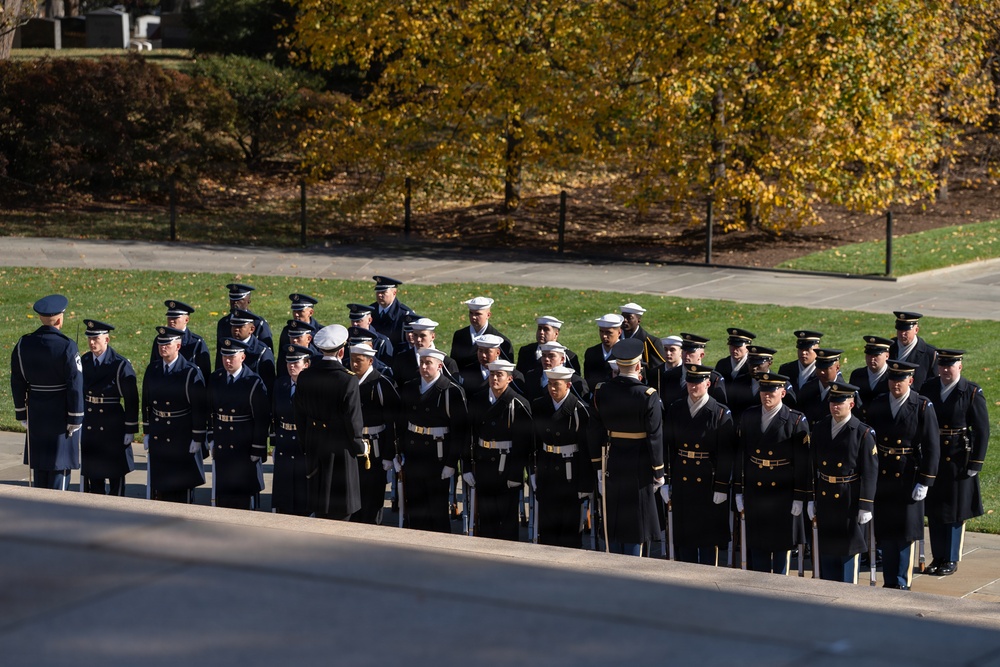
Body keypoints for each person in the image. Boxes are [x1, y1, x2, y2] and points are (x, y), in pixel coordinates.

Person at [861, 360, 940, 589]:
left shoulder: (922, 405)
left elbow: (932, 446)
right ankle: (890, 580)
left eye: (901, 380)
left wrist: (925, 480)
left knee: (905, 532)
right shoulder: (879, 403)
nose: (896, 384)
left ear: (910, 381)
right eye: (893, 379)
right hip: (884, 474)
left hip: (909, 475)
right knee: (887, 530)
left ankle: (902, 581)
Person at [588, 338, 664, 556]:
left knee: (614, 516)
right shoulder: (648, 395)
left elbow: (594, 430)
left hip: (611, 460)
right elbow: (655, 436)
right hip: (639, 464)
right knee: (636, 520)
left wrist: (598, 465)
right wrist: (658, 471)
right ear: (639, 366)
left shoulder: (601, 391)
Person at [919, 349, 990, 576]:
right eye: (942, 365)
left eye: (950, 366)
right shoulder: (929, 388)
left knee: (955, 510)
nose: (945, 370)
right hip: (935, 455)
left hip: (958, 459)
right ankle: (938, 556)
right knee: (935, 509)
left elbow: (982, 430)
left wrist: (976, 462)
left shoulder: (970, 391)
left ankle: (950, 558)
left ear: (960, 366)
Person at [734, 372, 810, 574]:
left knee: (781, 546)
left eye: (771, 392)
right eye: (763, 391)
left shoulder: (795, 420)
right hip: (756, 488)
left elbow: (802, 462)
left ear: (783, 393)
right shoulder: (749, 416)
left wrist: (799, 496)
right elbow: (741, 454)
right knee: (757, 543)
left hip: (782, 491)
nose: (766, 396)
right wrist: (739, 490)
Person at [662, 364, 736, 565]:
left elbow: (725, 453)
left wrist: (722, 485)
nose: (693, 387)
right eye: (690, 382)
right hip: (682, 477)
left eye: (698, 383)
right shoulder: (676, 409)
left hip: (707, 480)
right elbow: (668, 447)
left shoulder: (720, 413)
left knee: (707, 537)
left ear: (708, 384)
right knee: (684, 536)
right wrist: (666, 480)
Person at [11, 294, 84, 490]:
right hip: (61, 415)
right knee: (59, 472)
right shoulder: (67, 345)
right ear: (60, 319)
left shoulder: (24, 344)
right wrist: (76, 417)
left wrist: (21, 413)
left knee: (40, 470)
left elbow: (17, 381)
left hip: (36, 413)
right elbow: (75, 384)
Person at [293, 324, 367, 520]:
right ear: (342, 351)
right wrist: (360, 446)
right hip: (341, 448)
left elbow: (299, 415)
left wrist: (305, 443)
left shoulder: (305, 376)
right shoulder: (348, 380)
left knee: (320, 504)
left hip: (314, 444)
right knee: (342, 509)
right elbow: (353, 419)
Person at [807, 381, 878, 584]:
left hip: (849, 499)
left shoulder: (862, 433)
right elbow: (811, 466)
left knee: (848, 553)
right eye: (832, 402)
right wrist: (811, 497)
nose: (835, 406)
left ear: (851, 404)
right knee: (827, 552)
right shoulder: (820, 428)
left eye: (840, 402)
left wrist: (866, 505)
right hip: (826, 496)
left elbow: (870, 472)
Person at [397, 348, 470, 533]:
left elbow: (459, 431)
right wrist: (400, 452)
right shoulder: (410, 387)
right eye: (421, 362)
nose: (423, 367)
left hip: (438, 457)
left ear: (439, 366)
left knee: (437, 509)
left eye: (428, 363)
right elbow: (401, 423)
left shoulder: (451, 391)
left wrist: (451, 463)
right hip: (414, 454)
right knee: (415, 506)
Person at [464, 360, 533, 541]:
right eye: (492, 374)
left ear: (509, 379)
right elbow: (469, 435)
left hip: (507, 467)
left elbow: (523, 444)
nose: (494, 378)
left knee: (507, 520)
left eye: (499, 375)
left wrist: (516, 474)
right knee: (486, 518)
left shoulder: (518, 403)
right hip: (484, 464)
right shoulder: (477, 400)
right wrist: (467, 467)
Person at [142, 326, 209, 503]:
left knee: (182, 486)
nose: (162, 347)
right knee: (161, 485)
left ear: (178, 346)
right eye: (160, 344)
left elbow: (199, 407)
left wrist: (198, 437)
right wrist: (147, 431)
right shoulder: (153, 369)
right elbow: (146, 402)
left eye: (167, 344)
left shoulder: (190, 371)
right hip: (159, 431)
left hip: (181, 434)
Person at [531, 366, 594, 548]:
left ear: (568, 385)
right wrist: (533, 472)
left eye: (556, 384)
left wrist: (585, 484)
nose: (552, 388)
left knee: (569, 528)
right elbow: (534, 442)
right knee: (547, 527)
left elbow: (585, 450)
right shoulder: (540, 406)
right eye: (550, 384)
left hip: (570, 473)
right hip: (547, 469)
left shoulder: (579, 410)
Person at [208, 338, 270, 510]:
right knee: (224, 491)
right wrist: (211, 436)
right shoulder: (216, 378)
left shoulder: (253, 381)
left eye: (232, 357)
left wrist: (258, 447)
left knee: (243, 493)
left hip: (244, 443)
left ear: (242, 357)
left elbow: (261, 418)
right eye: (224, 357)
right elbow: (210, 411)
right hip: (223, 440)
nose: (227, 361)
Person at [80, 319, 139, 496]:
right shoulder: (85, 361)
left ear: (106, 339)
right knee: (93, 473)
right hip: (91, 421)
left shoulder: (119, 364)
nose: (92, 343)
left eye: (96, 338)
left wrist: (130, 428)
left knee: (115, 472)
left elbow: (131, 399)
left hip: (112, 424)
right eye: (89, 338)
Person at [350, 342, 401, 525]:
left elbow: (392, 422)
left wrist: (388, 454)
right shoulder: (349, 381)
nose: (354, 364)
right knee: (354, 490)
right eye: (352, 360)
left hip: (375, 446)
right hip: (353, 445)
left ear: (370, 361)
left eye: (359, 360)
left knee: (373, 491)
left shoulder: (381, 384)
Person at [270, 344, 312, 516]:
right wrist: (274, 443)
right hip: (284, 439)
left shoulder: (311, 386)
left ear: (306, 364)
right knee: (285, 485)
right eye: (289, 362)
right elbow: (274, 415)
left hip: (304, 440)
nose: (291, 366)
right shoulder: (280, 384)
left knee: (302, 486)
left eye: (296, 362)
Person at [654, 333, 727, 407]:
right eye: (684, 351)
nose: (686, 355)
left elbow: (719, 408)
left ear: (701, 355)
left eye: (690, 352)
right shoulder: (669, 375)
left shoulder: (714, 378)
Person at [149, 300, 212, 382]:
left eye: (175, 318)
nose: (171, 321)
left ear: (186, 320)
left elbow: (204, 375)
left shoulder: (196, 343)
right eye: (169, 317)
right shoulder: (160, 339)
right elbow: (154, 367)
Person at [450, 296, 514, 370]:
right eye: (471, 313)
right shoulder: (460, 336)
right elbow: (454, 365)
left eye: (477, 314)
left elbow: (508, 371)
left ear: (488, 315)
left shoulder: (501, 341)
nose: (473, 317)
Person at [391, 317, 460, 386]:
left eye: (422, 335)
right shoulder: (401, 359)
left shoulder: (446, 363)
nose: (418, 339)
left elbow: (455, 389)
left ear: (432, 336)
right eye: (415, 335)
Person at [222, 308, 276, 393]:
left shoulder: (262, 352)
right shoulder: (226, 347)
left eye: (240, 326)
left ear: (252, 329)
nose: (236, 329)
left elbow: (268, 386)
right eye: (234, 326)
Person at [795, 349, 851, 426]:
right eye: (819, 368)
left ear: (837, 368)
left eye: (826, 368)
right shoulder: (807, 388)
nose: (821, 372)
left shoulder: (846, 392)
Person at [523, 341, 588, 404]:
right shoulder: (531, 376)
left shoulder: (574, 380)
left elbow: (584, 405)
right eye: (544, 355)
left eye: (551, 356)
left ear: (562, 359)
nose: (546, 359)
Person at [215, 283, 273, 353]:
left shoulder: (259, 323)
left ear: (248, 301)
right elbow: (220, 351)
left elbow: (267, 352)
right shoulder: (223, 323)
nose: (235, 302)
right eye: (232, 299)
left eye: (240, 299)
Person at [516, 315, 581, 375]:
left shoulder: (568, 356)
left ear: (556, 334)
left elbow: (575, 379)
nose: (541, 332)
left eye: (546, 329)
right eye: (539, 328)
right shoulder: (526, 351)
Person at [889, 311, 937, 391]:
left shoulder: (930, 353)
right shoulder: (889, 347)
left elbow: (933, 384)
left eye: (906, 330)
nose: (902, 334)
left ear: (916, 330)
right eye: (900, 330)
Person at [276, 293, 321, 371]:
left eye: (300, 311)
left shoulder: (321, 332)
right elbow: (282, 359)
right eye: (294, 311)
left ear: (310, 312)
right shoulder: (287, 330)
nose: (296, 314)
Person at [370, 275, 416, 346]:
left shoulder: (404, 314)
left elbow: (408, 344)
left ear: (394, 292)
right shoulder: (370, 311)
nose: (379, 295)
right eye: (378, 292)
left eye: (383, 292)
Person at [620, 302, 667, 371]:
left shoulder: (650, 342)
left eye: (629, 318)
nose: (624, 320)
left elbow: (658, 369)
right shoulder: (615, 338)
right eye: (623, 317)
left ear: (638, 321)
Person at [583, 313, 624, 389]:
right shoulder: (591, 353)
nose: (604, 336)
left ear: (619, 332)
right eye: (601, 331)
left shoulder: (626, 353)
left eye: (609, 332)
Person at [848, 335, 892, 406]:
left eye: (876, 355)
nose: (871, 359)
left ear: (887, 356)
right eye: (868, 354)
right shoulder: (857, 375)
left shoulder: (893, 377)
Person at [347, 303, 394, 367]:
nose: (355, 324)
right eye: (352, 321)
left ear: (369, 320)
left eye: (358, 321)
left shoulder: (381, 342)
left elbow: (387, 368)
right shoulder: (347, 339)